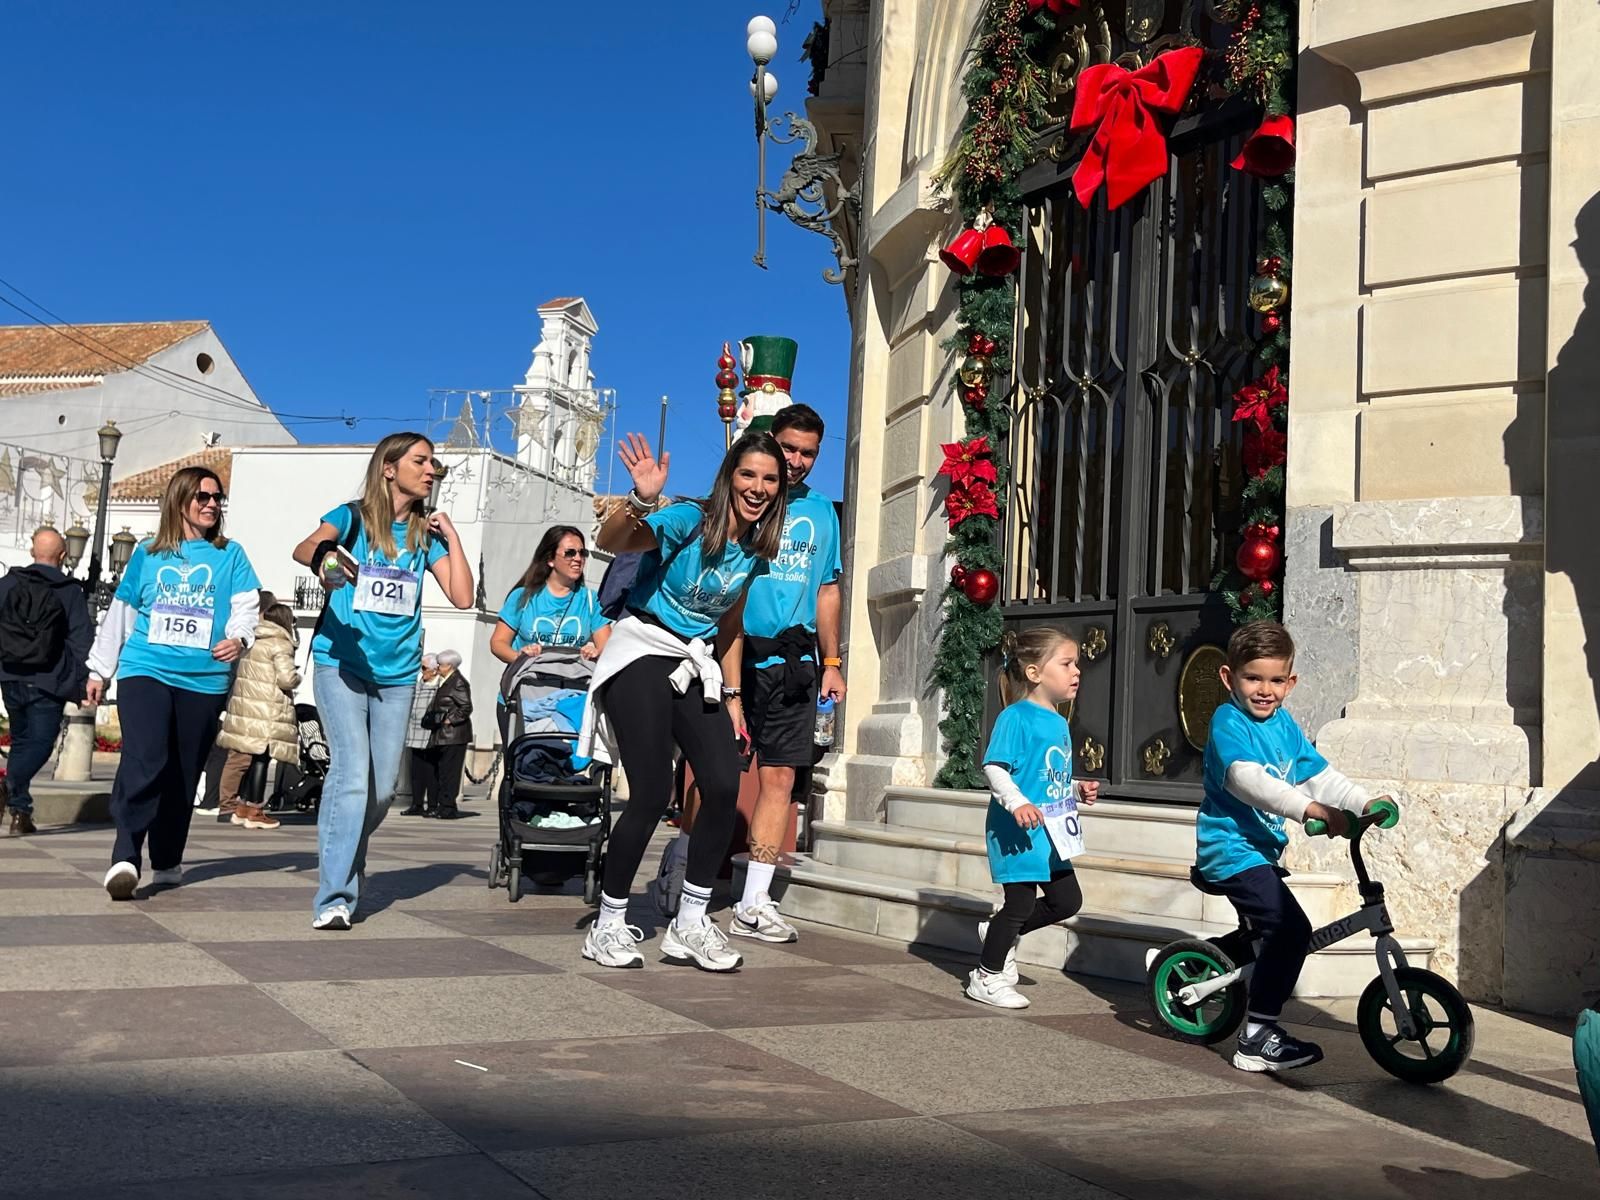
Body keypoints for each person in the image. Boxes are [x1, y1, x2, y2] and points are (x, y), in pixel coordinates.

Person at [576, 429, 787, 971]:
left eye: (768, 478)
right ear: (729, 478)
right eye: (748, 475)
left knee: (721, 783)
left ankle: (690, 923)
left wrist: (733, 696)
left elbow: (731, 625)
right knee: (648, 793)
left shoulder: (757, 550)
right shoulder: (689, 519)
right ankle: (608, 924)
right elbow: (618, 540)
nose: (757, 487)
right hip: (643, 649)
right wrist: (643, 499)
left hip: (696, 663)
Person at [652, 404, 844, 943]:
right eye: (789, 448)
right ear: (768, 443)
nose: (797, 461)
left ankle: (754, 901)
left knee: (781, 776)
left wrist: (832, 661)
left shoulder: (823, 514)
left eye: (808, 453)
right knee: (714, 769)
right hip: (729, 651)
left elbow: (828, 589)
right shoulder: (746, 502)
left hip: (794, 658)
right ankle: (685, 859)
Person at [291, 433, 474, 930]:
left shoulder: (423, 535)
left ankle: (346, 855)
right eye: (421, 461)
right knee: (351, 776)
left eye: (433, 463)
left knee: (381, 793)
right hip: (342, 663)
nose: (431, 469)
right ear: (389, 468)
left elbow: (462, 596)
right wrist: (328, 560)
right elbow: (306, 546)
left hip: (396, 676)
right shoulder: (352, 516)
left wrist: (453, 537)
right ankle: (334, 897)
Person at [1197, 620, 1378, 1072]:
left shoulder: (1284, 726)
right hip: (1230, 849)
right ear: (1228, 678)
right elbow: (1247, 779)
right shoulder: (1228, 721)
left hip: (1261, 852)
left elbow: (1319, 774)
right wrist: (1310, 810)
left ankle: (1203, 968)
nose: (1265, 690)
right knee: (1290, 929)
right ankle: (1257, 1037)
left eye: (1276, 680)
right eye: (1253, 678)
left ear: (1291, 682)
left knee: (1267, 937)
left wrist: (1362, 800)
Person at [87, 467, 261, 898]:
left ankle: (167, 858)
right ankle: (126, 855)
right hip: (146, 668)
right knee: (144, 759)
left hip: (203, 679)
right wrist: (99, 669)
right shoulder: (148, 553)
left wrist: (240, 638)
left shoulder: (231, 555)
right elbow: (122, 613)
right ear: (179, 499)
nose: (211, 504)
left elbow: (246, 607)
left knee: (184, 774)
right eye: (202, 496)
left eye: (217, 498)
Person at [968, 626, 1098, 1009]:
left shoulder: (1059, 721)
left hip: (1053, 833)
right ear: (1034, 673)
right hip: (1017, 832)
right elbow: (995, 767)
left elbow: (1045, 775)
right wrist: (1016, 803)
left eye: (1077, 664)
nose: (1077, 671)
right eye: (1067, 663)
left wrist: (1074, 789)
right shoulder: (1016, 717)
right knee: (1020, 904)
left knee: (1067, 901)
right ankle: (987, 976)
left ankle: (996, 934)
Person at [0, 527, 92, 837]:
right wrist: (80, 681)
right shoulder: (69, 591)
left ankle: (20, 812)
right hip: (48, 680)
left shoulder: (7, 584)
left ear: (31, 552)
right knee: (39, 744)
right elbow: (81, 640)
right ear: (63, 556)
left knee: (22, 742)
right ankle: (8, 785)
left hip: (10, 675)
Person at [212, 591, 301, 831]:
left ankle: (233, 807)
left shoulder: (251, 640)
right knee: (261, 758)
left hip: (245, 708)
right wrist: (297, 677)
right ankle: (254, 809)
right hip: (266, 710)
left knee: (240, 758)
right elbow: (286, 678)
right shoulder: (280, 643)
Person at [490, 525, 611, 668]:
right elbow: (498, 643)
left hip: (572, 686)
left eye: (582, 552)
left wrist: (595, 652)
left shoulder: (592, 601)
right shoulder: (523, 597)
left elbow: (608, 648)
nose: (578, 559)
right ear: (550, 559)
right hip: (528, 684)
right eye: (570, 553)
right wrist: (520, 657)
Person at [414, 648, 472, 820]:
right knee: (441, 772)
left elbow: (466, 707)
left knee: (449, 772)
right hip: (441, 735)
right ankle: (443, 806)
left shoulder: (458, 682)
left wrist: (449, 720)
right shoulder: (445, 681)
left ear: (450, 665)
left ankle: (448, 807)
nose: (437, 667)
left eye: (441, 664)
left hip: (453, 735)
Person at [399, 655, 440, 816]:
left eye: (424, 668)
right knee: (416, 771)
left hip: (430, 734)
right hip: (414, 731)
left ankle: (432, 804)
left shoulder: (438, 687)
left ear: (434, 670)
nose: (422, 672)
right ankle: (416, 803)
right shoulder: (418, 685)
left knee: (431, 771)